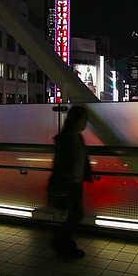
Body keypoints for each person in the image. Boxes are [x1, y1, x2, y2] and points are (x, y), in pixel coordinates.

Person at [47, 105, 93, 257]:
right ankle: (63, 242)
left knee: (74, 214)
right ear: (76, 120)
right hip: (69, 183)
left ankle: (62, 241)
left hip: (75, 182)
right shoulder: (68, 138)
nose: (85, 123)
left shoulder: (75, 137)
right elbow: (62, 163)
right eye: (83, 119)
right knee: (75, 214)